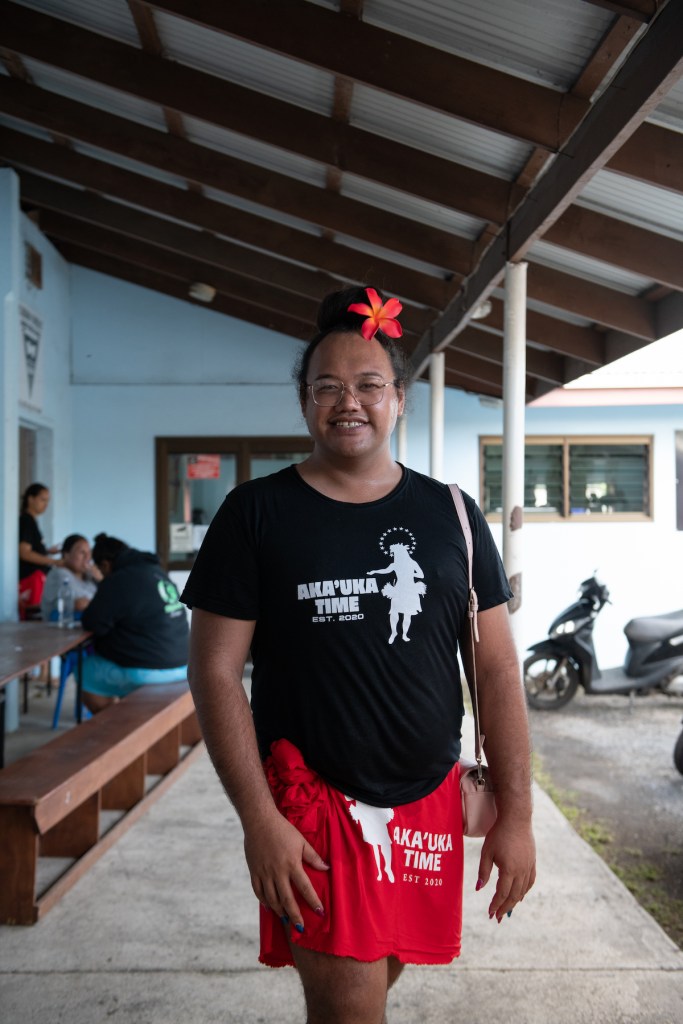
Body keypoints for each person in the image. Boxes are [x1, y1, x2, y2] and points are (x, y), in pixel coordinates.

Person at [181, 285, 536, 1024]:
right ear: (304, 402)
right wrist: (258, 818)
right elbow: (215, 671)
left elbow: (496, 670)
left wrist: (517, 817)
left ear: (399, 398)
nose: (350, 401)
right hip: (314, 804)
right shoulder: (257, 513)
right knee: (350, 1006)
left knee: (372, 981)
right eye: (328, 387)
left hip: (426, 802)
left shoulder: (451, 515)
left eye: (369, 384)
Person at [80, 533, 189, 713]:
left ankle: (115, 724)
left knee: (86, 671)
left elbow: (92, 622)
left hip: (150, 672)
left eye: (100, 569)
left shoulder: (119, 579)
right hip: (183, 665)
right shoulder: (158, 572)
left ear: (106, 564)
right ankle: (129, 717)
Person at [18, 482, 63, 614]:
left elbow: (32, 549)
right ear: (30, 499)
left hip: (37, 577)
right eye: (42, 500)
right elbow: (24, 553)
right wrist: (55, 562)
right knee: (35, 615)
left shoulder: (32, 521)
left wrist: (47, 551)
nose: (46, 504)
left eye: (47, 501)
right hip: (31, 578)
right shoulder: (26, 521)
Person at [40, 534, 102, 623]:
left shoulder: (90, 576)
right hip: (60, 630)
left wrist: (102, 581)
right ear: (66, 555)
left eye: (89, 553)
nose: (87, 558)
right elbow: (80, 604)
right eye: (82, 553)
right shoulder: (59, 574)